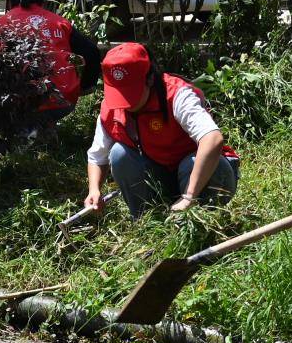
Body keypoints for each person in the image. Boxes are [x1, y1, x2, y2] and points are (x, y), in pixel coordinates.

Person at [84, 42, 239, 218]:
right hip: (162, 174)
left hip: (202, 175)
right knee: (120, 155)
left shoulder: (176, 95)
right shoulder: (111, 109)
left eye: (130, 93)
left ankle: (202, 219)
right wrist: (94, 189)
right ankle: (148, 220)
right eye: (119, 93)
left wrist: (189, 197)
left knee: (193, 161)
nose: (125, 103)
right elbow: (97, 156)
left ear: (150, 78)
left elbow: (213, 139)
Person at [0, 0, 102, 127]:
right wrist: (84, 86)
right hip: (63, 102)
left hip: (20, 103)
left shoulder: (0, 24)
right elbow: (92, 52)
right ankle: (44, 130)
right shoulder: (60, 22)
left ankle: (29, 134)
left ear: (9, 1)